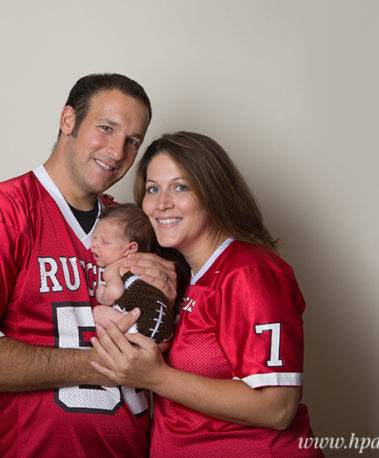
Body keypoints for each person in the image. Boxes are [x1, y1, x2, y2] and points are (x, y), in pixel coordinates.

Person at [0, 73, 179, 457]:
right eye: (106, 128)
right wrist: (98, 363)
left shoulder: (131, 225)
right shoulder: (3, 211)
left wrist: (169, 301)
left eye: (132, 141)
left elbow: (164, 350)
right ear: (68, 121)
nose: (116, 150)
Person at [90, 131, 322, 457]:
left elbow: (277, 407)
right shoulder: (180, 277)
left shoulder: (249, 271)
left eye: (180, 187)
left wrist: (157, 378)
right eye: (153, 189)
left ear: (214, 193)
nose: (162, 203)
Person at [91, 203, 175, 343]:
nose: (94, 244)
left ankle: (128, 335)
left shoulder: (116, 268)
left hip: (139, 324)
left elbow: (114, 294)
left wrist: (101, 293)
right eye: (94, 237)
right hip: (161, 325)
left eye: (105, 241)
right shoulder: (147, 266)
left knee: (96, 313)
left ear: (130, 248)